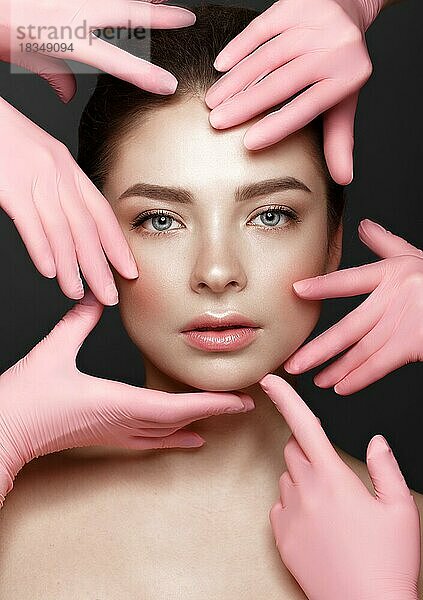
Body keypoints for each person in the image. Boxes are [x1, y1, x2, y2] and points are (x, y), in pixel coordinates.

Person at [0, 5, 420, 598]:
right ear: (91, 229)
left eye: (270, 215)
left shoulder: (408, 546)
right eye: (161, 218)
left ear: (332, 241)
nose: (217, 271)